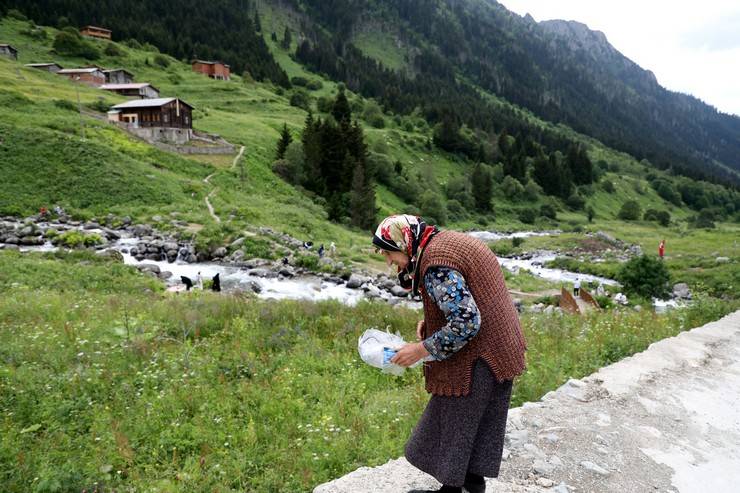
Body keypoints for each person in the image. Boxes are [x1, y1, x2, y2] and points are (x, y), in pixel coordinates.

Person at [372, 214, 527, 493]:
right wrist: (433, 325)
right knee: (472, 431)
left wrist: (420, 350)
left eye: (389, 252)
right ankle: (469, 488)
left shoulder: (436, 264)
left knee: (454, 427)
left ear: (405, 242)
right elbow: (470, 298)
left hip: (481, 358)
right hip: (501, 346)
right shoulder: (445, 241)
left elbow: (467, 321)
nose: (388, 261)